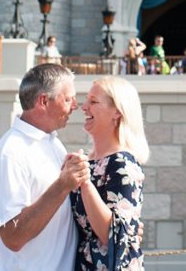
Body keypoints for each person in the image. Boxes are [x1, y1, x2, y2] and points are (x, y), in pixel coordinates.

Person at [0, 63, 88, 271]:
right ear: (43, 101)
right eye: (68, 99)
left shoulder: (53, 142)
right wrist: (62, 185)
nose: (75, 106)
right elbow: (13, 237)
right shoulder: (11, 153)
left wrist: (120, 229)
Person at [71, 76, 148, 270]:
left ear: (117, 112)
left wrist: (85, 182)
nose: (84, 106)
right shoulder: (88, 163)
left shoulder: (122, 164)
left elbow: (113, 236)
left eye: (93, 101)